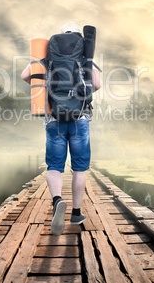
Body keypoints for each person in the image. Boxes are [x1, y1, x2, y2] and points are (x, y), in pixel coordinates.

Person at [21, 22, 101, 236]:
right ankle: (76, 213)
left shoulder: (48, 54)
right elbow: (98, 85)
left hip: (53, 118)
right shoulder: (86, 56)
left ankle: (57, 200)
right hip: (80, 118)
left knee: (54, 166)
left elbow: (25, 76)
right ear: (77, 37)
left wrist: (45, 78)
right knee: (79, 168)